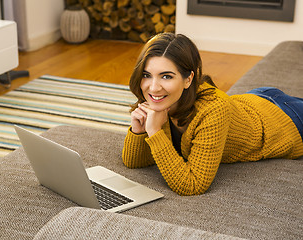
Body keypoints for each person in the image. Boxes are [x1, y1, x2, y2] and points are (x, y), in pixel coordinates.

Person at [122, 32, 303, 196]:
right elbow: (133, 162)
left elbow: (193, 185)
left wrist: (154, 132)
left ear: (188, 79)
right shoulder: (158, 97)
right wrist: (138, 131)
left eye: (166, 76)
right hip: (254, 98)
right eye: (147, 75)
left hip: (287, 119)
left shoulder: (213, 110)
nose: (153, 87)